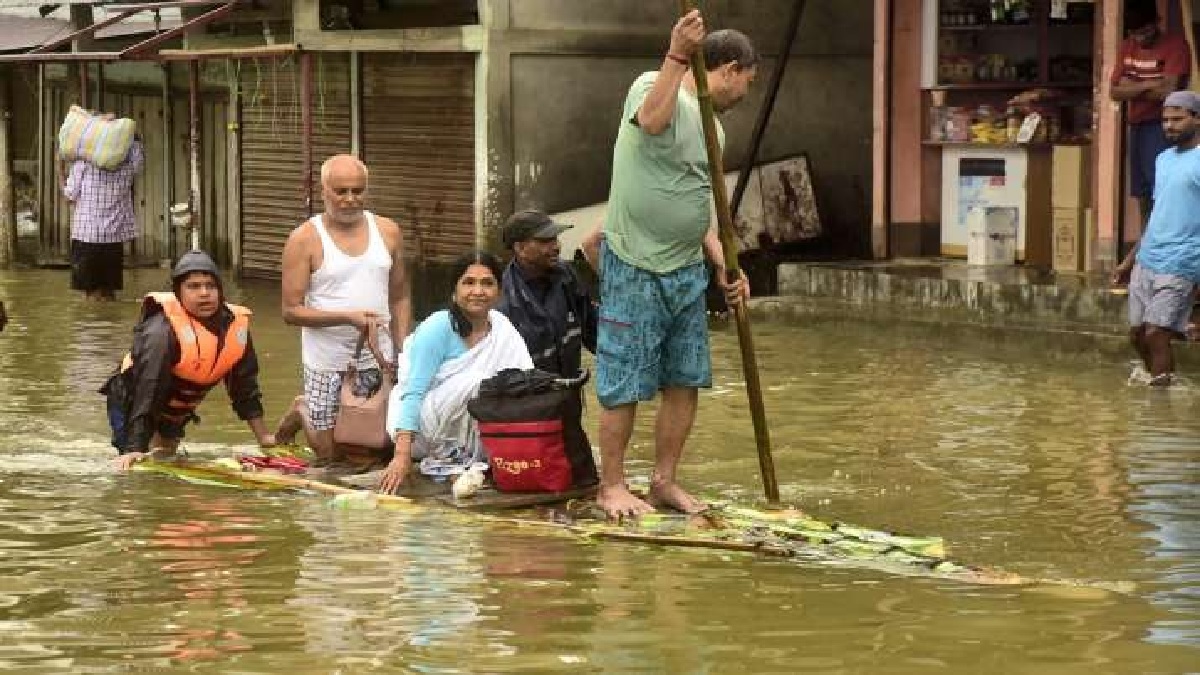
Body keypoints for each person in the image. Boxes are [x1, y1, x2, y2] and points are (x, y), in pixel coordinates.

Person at [593, 12, 754, 518]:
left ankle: (664, 482)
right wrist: (677, 52)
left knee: (685, 379)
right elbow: (652, 120)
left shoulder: (716, 131)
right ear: (729, 69)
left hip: (687, 268)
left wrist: (724, 263)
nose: (746, 93)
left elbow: (700, 210)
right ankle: (612, 486)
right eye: (747, 81)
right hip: (635, 261)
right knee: (624, 379)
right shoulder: (652, 84)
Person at [278, 154, 412, 472]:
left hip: (378, 354)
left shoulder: (388, 231)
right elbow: (290, 311)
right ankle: (303, 409)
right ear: (324, 191)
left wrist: (405, 348)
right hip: (327, 359)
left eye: (357, 190)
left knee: (371, 446)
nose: (350, 199)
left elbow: (400, 295)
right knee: (330, 457)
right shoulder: (304, 239)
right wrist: (346, 317)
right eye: (341, 191)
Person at [377, 252, 533, 495]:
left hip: (476, 431)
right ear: (454, 291)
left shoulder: (502, 328)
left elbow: (525, 381)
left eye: (487, 283)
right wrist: (401, 455)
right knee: (477, 382)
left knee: (509, 385)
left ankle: (479, 457)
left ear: (499, 292)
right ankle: (447, 463)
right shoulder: (438, 327)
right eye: (469, 282)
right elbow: (412, 391)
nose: (478, 291)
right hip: (422, 429)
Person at [104, 250, 276, 470]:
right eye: (194, 287)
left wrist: (264, 438)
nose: (204, 293)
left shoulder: (235, 327)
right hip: (134, 400)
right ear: (178, 293)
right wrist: (134, 447)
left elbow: (245, 387)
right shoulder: (161, 333)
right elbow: (148, 389)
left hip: (177, 406)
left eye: (210, 286)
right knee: (138, 466)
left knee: (165, 457)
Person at [1112, 91, 1200, 386]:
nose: (1169, 126)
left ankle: (1161, 404)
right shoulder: (1163, 160)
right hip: (1148, 258)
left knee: (1156, 332)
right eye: (1164, 120)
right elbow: (1156, 214)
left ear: (1196, 119)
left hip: (1183, 261)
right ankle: (1160, 384)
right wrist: (1128, 261)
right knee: (1137, 334)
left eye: (1177, 119)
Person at [1109, 1, 1192, 239]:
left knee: (1163, 190)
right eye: (1136, 33)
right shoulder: (1127, 47)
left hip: (1164, 127)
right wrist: (1149, 84)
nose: (1141, 38)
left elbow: (1169, 90)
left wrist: (1132, 86)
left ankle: (1164, 241)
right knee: (1142, 191)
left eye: (1145, 31)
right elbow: (1114, 92)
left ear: (1156, 23)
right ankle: (1147, 243)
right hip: (1137, 125)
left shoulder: (1175, 46)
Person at [496, 209, 597, 376]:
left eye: (555, 239)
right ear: (520, 248)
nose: (557, 247)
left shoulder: (567, 276)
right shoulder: (504, 301)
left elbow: (593, 330)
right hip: (529, 397)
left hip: (568, 390)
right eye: (545, 241)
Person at [62, 132, 144, 301]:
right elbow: (138, 156)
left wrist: (59, 171)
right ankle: (110, 326)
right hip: (113, 238)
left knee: (90, 294)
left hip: (86, 236)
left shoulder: (83, 163)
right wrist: (133, 137)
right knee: (109, 292)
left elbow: (69, 197)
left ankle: (95, 324)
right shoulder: (127, 166)